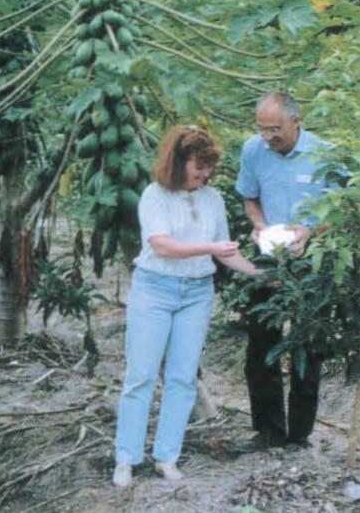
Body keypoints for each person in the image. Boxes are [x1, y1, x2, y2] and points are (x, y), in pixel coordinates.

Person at [113, 125, 260, 489]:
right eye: (199, 166)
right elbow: (162, 246)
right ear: (177, 162)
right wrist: (211, 249)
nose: (205, 174)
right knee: (141, 376)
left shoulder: (213, 199)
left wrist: (261, 273)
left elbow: (226, 250)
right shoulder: (154, 195)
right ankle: (126, 459)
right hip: (155, 289)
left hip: (196, 293)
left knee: (182, 378)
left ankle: (167, 456)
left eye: (209, 167)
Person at [235, 91, 332, 451]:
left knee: (308, 346)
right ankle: (268, 430)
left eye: (274, 129)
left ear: (296, 121)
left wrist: (311, 232)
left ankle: (299, 435)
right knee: (261, 345)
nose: (267, 137)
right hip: (269, 258)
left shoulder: (325, 154)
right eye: (262, 130)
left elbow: (339, 210)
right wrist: (258, 224)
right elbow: (249, 197)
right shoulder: (253, 150)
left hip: (313, 261)